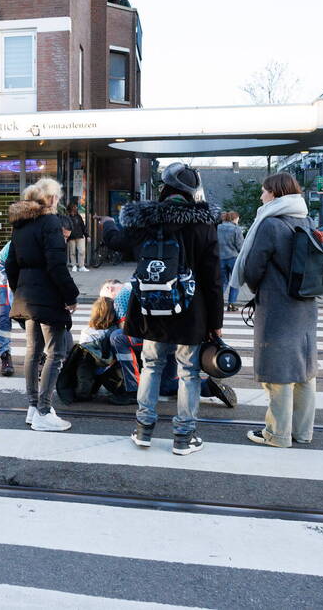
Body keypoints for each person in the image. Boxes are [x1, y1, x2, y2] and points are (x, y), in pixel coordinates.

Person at [105, 162, 222, 456]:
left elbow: (120, 243)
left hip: (150, 306)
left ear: (164, 189)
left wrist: (107, 226)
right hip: (190, 310)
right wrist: (216, 321)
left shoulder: (145, 219)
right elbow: (213, 278)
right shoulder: (204, 224)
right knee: (188, 372)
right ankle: (183, 437)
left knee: (152, 365)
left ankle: (143, 430)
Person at [229, 172, 318, 448]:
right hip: (306, 304)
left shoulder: (270, 224)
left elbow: (254, 267)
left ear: (275, 193)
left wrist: (258, 289)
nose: (261, 196)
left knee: (279, 370)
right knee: (304, 369)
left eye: (264, 191)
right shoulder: (306, 219)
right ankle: (302, 432)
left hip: (278, 306)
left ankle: (277, 434)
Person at [5, 178, 79, 432]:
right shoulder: (50, 223)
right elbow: (57, 265)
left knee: (32, 352)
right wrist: (71, 296)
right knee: (56, 353)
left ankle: (33, 406)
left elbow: (9, 265)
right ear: (51, 199)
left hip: (27, 297)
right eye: (57, 196)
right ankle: (44, 411)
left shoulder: (21, 226)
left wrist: (21, 291)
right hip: (48, 297)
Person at [55, 298, 123, 404]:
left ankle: (84, 392)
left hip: (90, 371)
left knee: (84, 362)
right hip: (109, 371)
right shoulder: (114, 332)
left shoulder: (87, 332)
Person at [0, 241, 14, 377]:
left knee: (32, 314)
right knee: (6, 311)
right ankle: (4, 354)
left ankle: (39, 354)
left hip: (21, 265)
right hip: (4, 266)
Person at [217, 211, 244, 311]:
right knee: (235, 281)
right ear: (234, 219)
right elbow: (240, 246)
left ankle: (217, 302)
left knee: (222, 282)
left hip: (220, 258)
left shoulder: (218, 228)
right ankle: (231, 304)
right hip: (233, 258)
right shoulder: (236, 229)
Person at [66, 202, 89, 272]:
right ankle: (74, 266)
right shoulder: (67, 217)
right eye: (74, 207)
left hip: (80, 236)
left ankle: (81, 266)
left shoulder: (79, 217)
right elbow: (65, 227)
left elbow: (83, 227)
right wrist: (66, 237)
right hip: (71, 237)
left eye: (75, 207)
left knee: (82, 251)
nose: (75, 208)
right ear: (70, 208)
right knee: (72, 252)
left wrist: (87, 236)